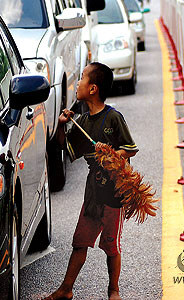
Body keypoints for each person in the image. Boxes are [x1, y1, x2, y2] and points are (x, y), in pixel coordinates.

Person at [43, 62, 138, 300]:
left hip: (114, 194)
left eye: (82, 78)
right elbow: (68, 149)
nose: (78, 83)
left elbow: (131, 148)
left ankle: (113, 290)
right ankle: (66, 289)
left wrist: (112, 156)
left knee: (111, 246)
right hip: (93, 193)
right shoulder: (82, 122)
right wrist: (63, 128)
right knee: (80, 242)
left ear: (93, 89)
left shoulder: (113, 118)